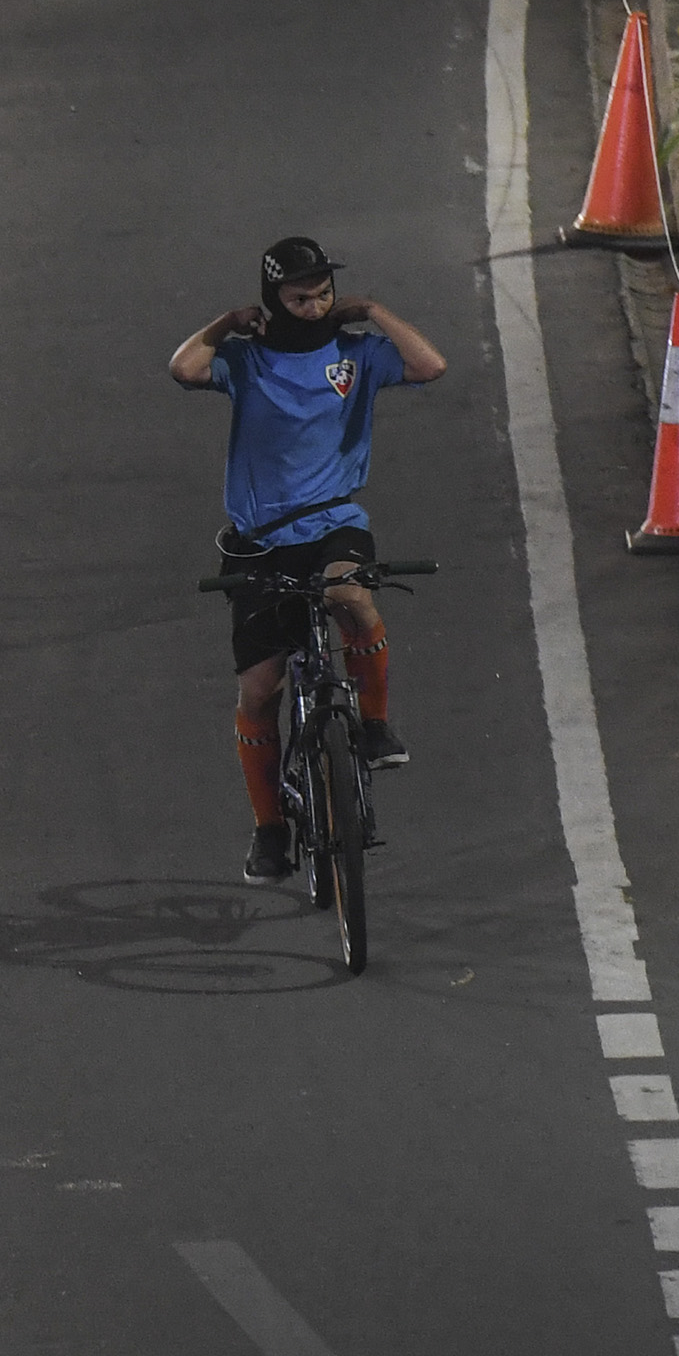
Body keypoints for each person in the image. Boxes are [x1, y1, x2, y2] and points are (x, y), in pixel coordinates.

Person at [167, 236, 451, 883]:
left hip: (333, 522)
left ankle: (374, 727)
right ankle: (270, 830)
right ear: (273, 300)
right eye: (300, 298)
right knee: (260, 690)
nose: (316, 306)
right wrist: (227, 322)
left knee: (348, 594)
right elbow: (184, 368)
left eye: (324, 294)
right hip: (261, 540)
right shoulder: (246, 360)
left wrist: (372, 310)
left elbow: (430, 364)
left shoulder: (356, 354)